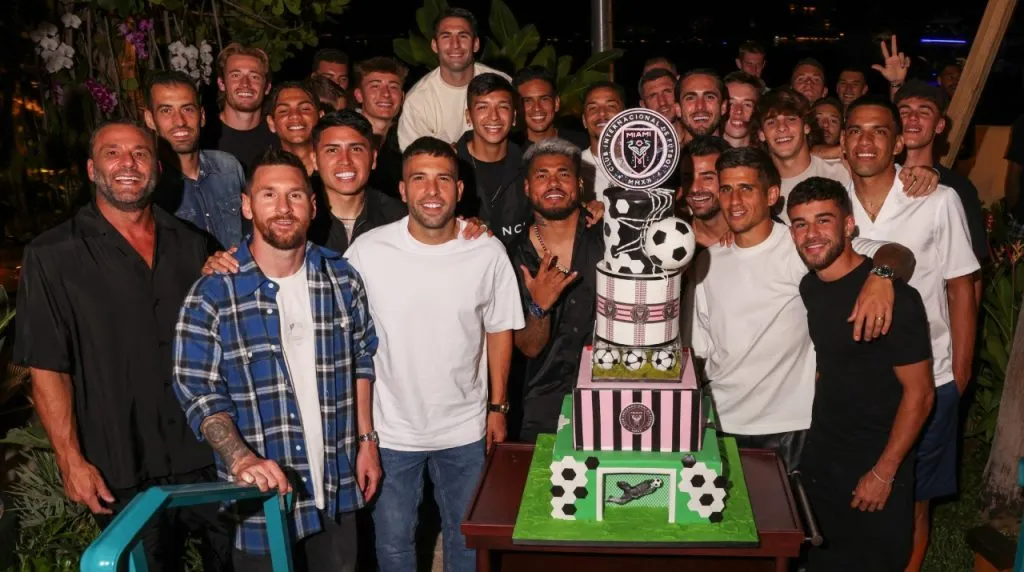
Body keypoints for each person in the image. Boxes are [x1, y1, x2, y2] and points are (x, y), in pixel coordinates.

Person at [14, 120, 229, 570]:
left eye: (140, 153)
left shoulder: (193, 246)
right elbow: (47, 367)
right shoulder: (52, 255)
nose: (127, 164)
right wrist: (71, 460)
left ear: (156, 168)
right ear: (92, 169)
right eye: (113, 153)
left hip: (205, 452)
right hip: (120, 462)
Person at [174, 148, 379, 571]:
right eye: (269, 195)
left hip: (336, 487)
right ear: (247, 205)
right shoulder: (213, 294)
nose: (283, 208)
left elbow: (363, 359)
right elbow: (198, 393)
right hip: (261, 499)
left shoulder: (341, 278)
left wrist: (367, 442)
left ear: (313, 205)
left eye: (295, 196)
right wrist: (240, 459)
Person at [344, 136, 524, 572]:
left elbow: (499, 329)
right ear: (403, 190)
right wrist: (364, 433)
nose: (431, 191)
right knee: (393, 548)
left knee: (466, 543)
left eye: (443, 179)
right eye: (419, 179)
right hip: (391, 432)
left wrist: (498, 407)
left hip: (464, 428)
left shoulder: (486, 250)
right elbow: (347, 343)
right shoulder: (368, 252)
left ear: (459, 190)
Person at [691, 146, 915, 471]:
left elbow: (898, 253)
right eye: (726, 189)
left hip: (787, 425)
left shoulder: (802, 245)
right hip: (720, 420)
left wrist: (881, 276)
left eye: (746, 188)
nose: (734, 200)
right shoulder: (708, 260)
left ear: (770, 195)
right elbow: (702, 344)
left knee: (786, 521)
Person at [841, 96, 980, 572]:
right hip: (856, 377)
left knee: (915, 496)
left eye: (879, 130)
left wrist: (959, 373)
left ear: (898, 141)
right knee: (858, 486)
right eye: (856, 129)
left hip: (930, 374)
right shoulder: (830, 198)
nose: (866, 140)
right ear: (842, 140)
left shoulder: (937, 199)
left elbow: (962, 288)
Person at [788, 176, 934, 571]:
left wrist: (884, 473)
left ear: (849, 225)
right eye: (800, 224)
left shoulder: (896, 299)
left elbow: (920, 395)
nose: (811, 234)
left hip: (876, 461)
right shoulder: (810, 288)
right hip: (824, 458)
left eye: (823, 220)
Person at [509, 138, 603, 442]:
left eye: (563, 174)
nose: (553, 183)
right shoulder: (511, 257)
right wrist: (539, 307)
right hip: (542, 409)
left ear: (579, 184)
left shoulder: (610, 239)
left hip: (610, 397)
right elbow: (529, 347)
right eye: (541, 175)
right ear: (527, 187)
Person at [894, 80, 989, 292]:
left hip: (931, 317)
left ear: (939, 125)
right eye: (904, 111)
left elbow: (971, 273)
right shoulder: (876, 176)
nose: (912, 118)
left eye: (924, 112)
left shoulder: (958, 189)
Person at [145, 70, 246, 250]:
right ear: (150, 119)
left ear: (202, 116)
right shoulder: (148, 184)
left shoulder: (229, 167)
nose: (180, 121)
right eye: (166, 110)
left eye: (187, 109)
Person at [396, 7, 511, 150]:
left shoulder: (503, 83)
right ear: (434, 45)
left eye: (463, 36)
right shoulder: (418, 99)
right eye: (446, 37)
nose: (455, 45)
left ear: (475, 44)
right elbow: (414, 157)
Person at [455, 73, 530, 242]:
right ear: (469, 116)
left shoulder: (531, 163)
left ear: (515, 116)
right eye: (483, 107)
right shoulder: (448, 165)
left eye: (502, 107)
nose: (494, 116)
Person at [207, 43, 279, 172]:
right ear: (221, 84)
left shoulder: (278, 138)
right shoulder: (204, 138)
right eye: (236, 75)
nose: (245, 84)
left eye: (254, 77)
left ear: (267, 87)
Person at [353, 56, 408, 198]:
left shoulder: (408, 137)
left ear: (402, 97)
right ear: (359, 95)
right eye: (375, 86)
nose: (385, 94)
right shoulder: (344, 134)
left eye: (393, 87)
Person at [512, 65, 589, 150]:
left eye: (544, 99)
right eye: (527, 101)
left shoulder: (582, 145)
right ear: (517, 107)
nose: (537, 108)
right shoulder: (509, 150)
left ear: (556, 103)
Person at [678, 136, 732, 247]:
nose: (695, 188)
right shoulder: (673, 241)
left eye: (707, 178)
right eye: (688, 178)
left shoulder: (753, 236)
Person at [579, 81, 625, 203]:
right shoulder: (573, 168)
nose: (602, 113)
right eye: (592, 108)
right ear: (584, 120)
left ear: (625, 115)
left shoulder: (644, 165)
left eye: (611, 106)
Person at [266, 82, 323, 175]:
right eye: (283, 111)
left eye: (305, 109)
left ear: (321, 116)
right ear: (271, 123)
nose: (295, 115)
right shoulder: (264, 174)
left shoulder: (337, 167)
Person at [676, 68, 728, 146]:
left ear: (723, 107)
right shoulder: (665, 158)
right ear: (678, 109)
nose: (700, 106)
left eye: (709, 97)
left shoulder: (741, 158)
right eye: (690, 98)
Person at [640, 67, 685, 141]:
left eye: (667, 91)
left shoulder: (700, 137)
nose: (662, 102)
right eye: (653, 96)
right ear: (643, 106)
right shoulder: (643, 148)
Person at [722, 71, 762, 148]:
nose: (739, 111)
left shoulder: (769, 158)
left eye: (747, 105)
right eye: (731, 103)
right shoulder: (699, 156)